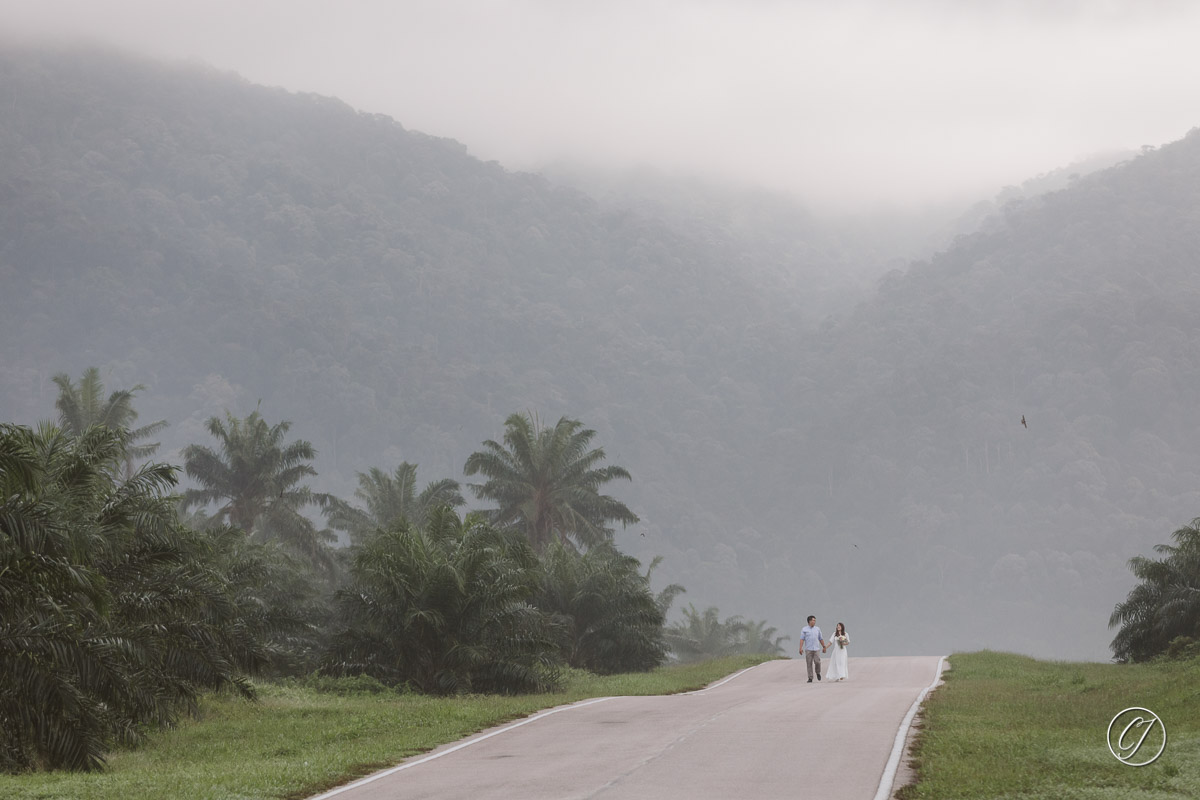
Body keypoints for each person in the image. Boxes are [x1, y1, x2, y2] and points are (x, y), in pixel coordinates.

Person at [799, 615, 826, 682]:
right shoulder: (804, 629)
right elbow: (802, 639)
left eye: (815, 620)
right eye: (813, 620)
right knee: (809, 663)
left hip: (816, 649)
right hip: (808, 649)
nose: (814, 622)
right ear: (809, 621)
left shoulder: (817, 629)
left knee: (817, 662)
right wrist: (800, 648)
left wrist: (824, 646)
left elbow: (820, 638)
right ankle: (810, 677)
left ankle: (818, 672)